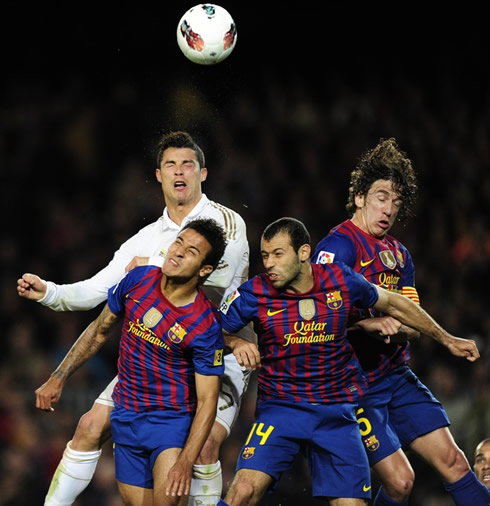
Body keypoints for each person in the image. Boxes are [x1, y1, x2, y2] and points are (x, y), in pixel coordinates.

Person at [18, 131, 253, 506]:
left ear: (203, 174)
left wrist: (152, 266)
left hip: (221, 351)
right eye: (170, 165)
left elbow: (206, 300)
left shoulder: (224, 222)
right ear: (158, 175)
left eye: (187, 164)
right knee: (89, 425)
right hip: (156, 355)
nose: (180, 171)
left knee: (205, 446)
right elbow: (97, 291)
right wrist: (50, 292)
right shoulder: (144, 239)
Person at [216, 216, 479, 506]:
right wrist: (236, 341)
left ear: (303, 253)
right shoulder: (255, 292)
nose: (268, 264)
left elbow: (394, 303)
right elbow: (211, 332)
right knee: (243, 491)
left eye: (278, 254)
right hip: (282, 409)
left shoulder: (339, 279)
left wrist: (447, 339)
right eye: (265, 255)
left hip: (337, 414)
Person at [311, 138, 490, 506]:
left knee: (456, 462)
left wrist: (439, 336)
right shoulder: (337, 248)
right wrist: (367, 325)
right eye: (380, 197)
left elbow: (409, 320)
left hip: (396, 376)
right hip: (354, 385)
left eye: (395, 202)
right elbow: (314, 321)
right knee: (401, 484)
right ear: (359, 197)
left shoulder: (398, 254)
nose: (388, 209)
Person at [36, 218, 227, 505]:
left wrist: (186, 461)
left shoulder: (203, 324)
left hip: (170, 423)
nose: (177, 252)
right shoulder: (139, 280)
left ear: (205, 269)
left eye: (191, 251)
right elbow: (99, 331)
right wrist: (58, 377)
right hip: (126, 415)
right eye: (178, 242)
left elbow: (208, 400)